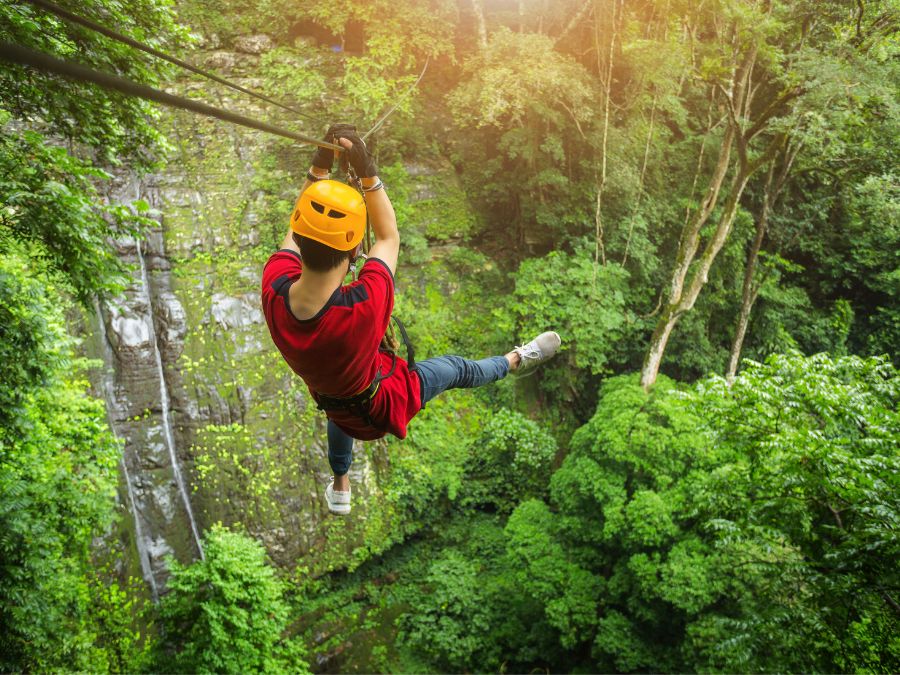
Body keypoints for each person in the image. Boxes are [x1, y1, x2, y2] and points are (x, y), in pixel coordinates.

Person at [260, 124, 560, 515]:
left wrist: (321, 170)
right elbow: (388, 237)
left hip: (333, 397)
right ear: (355, 251)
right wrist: (365, 170)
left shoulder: (274, 288)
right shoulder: (361, 306)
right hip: (383, 403)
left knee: (340, 408)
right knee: (456, 369)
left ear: (300, 241)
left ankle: (340, 484)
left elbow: (301, 228)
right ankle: (515, 360)